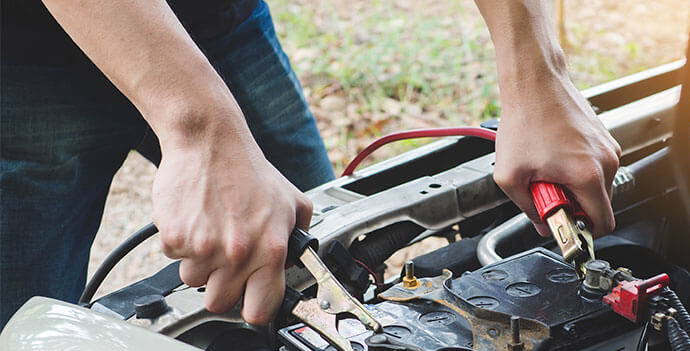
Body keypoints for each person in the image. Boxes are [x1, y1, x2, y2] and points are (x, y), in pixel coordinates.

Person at [0, 0, 620, 329]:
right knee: (18, 345)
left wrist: (539, 72)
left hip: (221, 21)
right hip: (27, 61)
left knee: (323, 255)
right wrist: (201, 125)